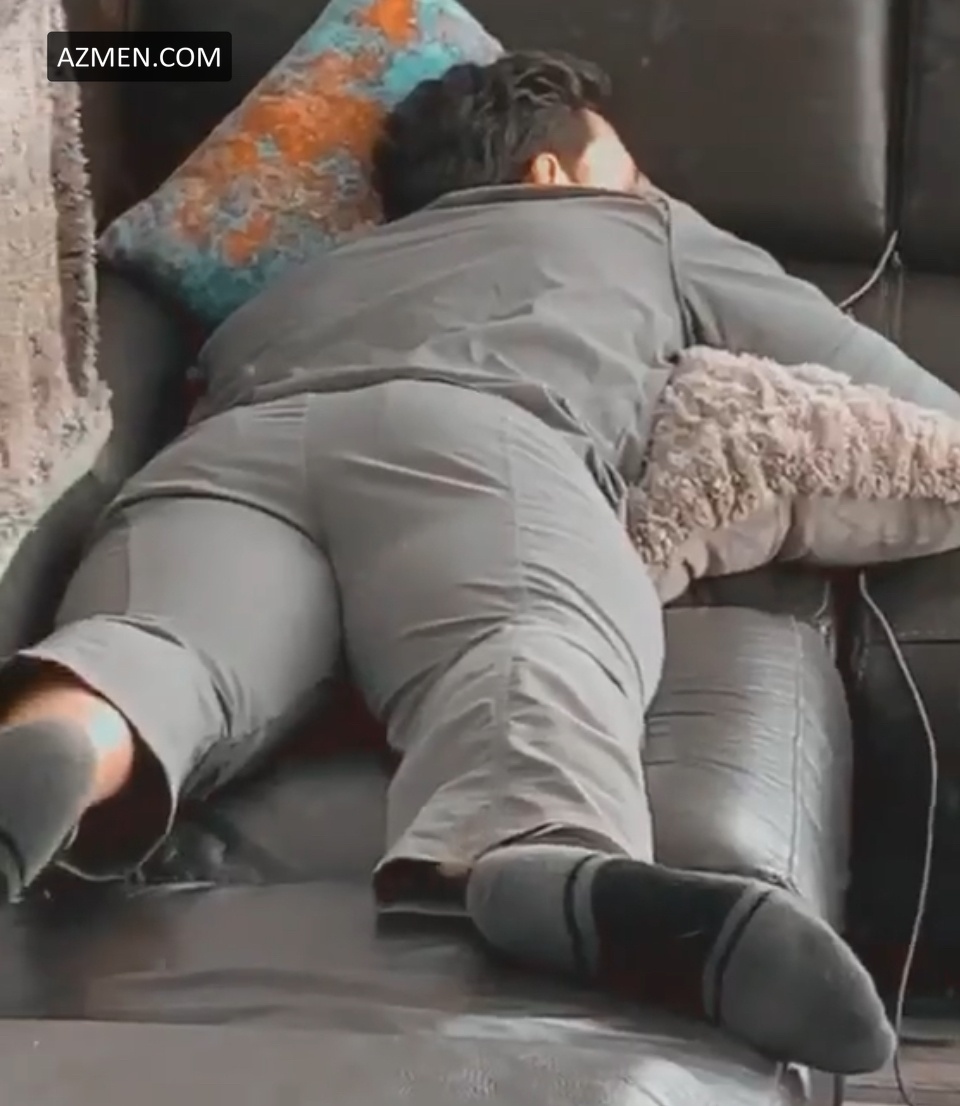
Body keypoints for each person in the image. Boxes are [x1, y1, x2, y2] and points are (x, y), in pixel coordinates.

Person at [0, 49, 953, 1073]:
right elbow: (910, 403)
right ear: (553, 173)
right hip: (476, 441)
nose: (643, 186)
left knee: (157, 645)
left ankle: (75, 737)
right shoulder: (639, 227)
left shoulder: (299, 281)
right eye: (627, 167)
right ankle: (542, 852)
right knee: (524, 647)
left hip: (233, 447)